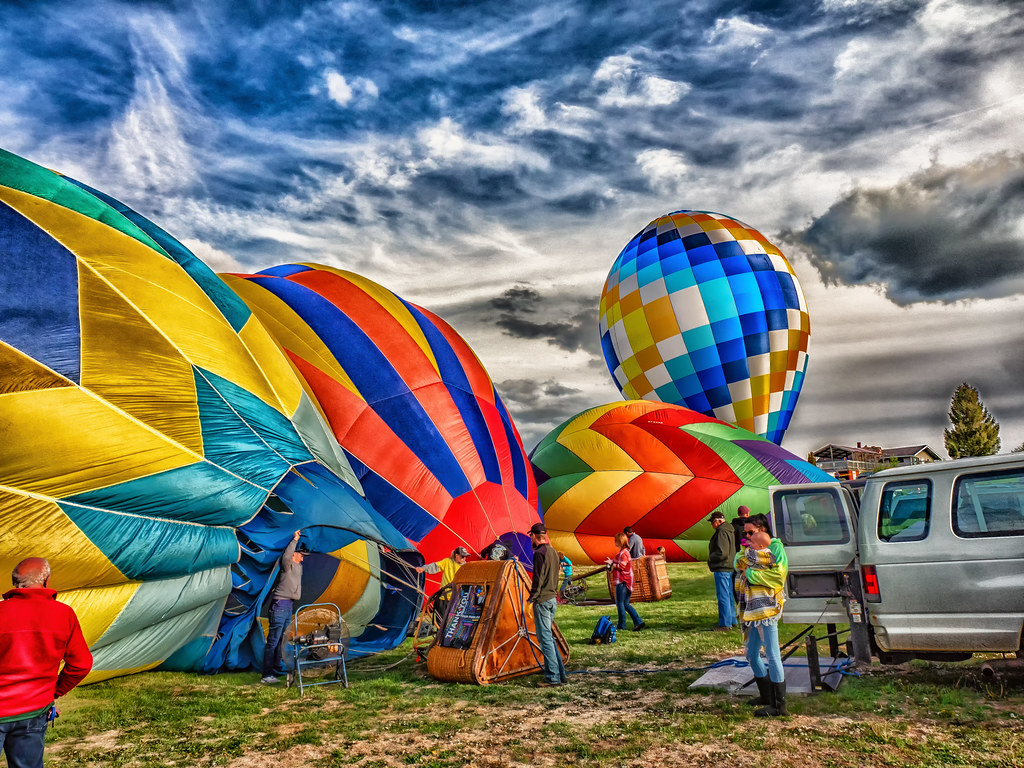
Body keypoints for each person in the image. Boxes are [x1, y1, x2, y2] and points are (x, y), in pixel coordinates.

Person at [0, 558, 93, 768]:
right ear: (46, 580)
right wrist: (53, 693)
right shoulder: (64, 614)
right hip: (34, 711)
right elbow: (82, 664)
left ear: (15, 584)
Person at [735, 517, 789, 717]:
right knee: (751, 653)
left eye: (751, 533)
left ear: (762, 530)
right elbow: (737, 563)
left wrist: (750, 574)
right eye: (745, 533)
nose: (747, 536)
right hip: (751, 610)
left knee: (772, 654)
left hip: (766, 609)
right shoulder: (749, 550)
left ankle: (779, 706)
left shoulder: (775, 549)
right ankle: (766, 695)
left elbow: (778, 577)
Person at [261, 530, 304, 684]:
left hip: (289, 605)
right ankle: (266, 675)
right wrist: (294, 540)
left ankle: (276, 668)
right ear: (293, 555)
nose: (303, 558)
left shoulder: (298, 568)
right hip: (280, 605)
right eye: (300, 555)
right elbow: (286, 557)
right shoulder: (287, 565)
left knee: (282, 639)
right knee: (273, 640)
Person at [527, 523, 567, 687]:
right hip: (551, 599)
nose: (530, 539)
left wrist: (531, 599)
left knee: (545, 641)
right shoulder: (553, 552)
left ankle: (553, 678)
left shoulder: (539, 553)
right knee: (549, 639)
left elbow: (538, 579)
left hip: (542, 601)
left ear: (534, 536)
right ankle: (560, 674)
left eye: (530, 536)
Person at [608, 532, 646, 632]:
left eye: (616, 541)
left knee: (620, 603)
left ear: (620, 541)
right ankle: (638, 622)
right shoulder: (623, 552)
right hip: (626, 580)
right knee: (625, 603)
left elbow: (622, 566)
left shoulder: (624, 553)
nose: (615, 542)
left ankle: (622, 625)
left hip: (623, 580)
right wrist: (611, 563)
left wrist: (612, 565)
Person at [707, 511, 737, 631]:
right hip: (729, 566)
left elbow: (722, 553)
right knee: (728, 595)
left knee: (723, 596)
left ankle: (725, 623)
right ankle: (732, 620)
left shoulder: (721, 532)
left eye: (712, 522)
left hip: (722, 567)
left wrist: (711, 558)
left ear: (718, 521)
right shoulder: (729, 530)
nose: (711, 525)